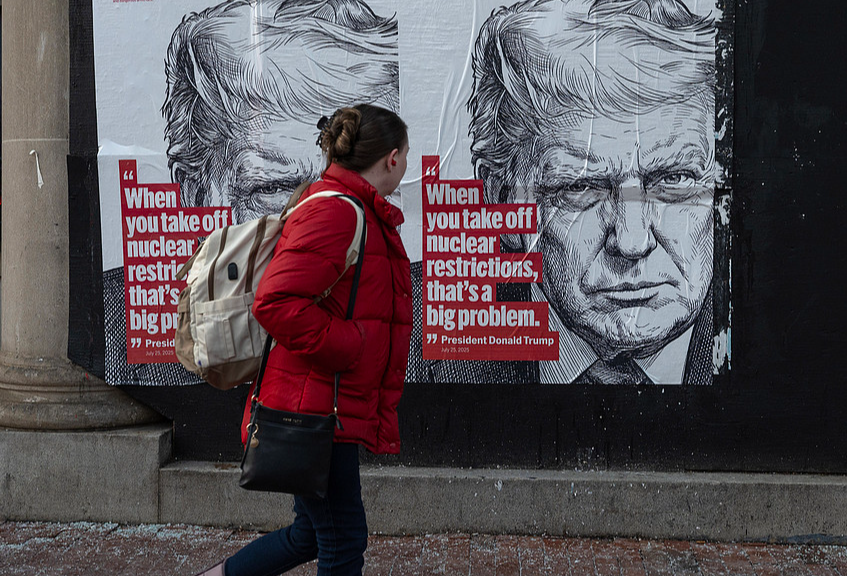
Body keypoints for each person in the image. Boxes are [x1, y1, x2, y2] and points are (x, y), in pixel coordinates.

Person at [411, 0, 720, 385]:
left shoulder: (792, 322)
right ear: (504, 203)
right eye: (580, 187)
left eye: (673, 180)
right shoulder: (399, 326)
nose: (632, 242)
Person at [103, 0, 399, 386]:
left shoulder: (410, 315)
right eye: (276, 188)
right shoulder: (128, 337)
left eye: (355, 185)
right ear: (195, 187)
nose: (327, 209)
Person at [195, 104, 412, 576]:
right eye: (407, 158)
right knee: (342, 540)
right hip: (314, 408)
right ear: (392, 158)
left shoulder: (346, 204)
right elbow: (276, 302)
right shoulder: (338, 211)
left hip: (321, 403)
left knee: (311, 534)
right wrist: (351, 345)